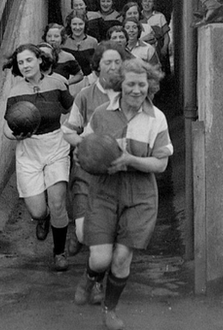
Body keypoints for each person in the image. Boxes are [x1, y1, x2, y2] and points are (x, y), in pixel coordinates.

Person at [73, 58, 173, 330]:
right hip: (104, 190)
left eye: (143, 84)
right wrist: (82, 156)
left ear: (149, 85)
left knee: (121, 258)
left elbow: (161, 163)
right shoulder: (102, 114)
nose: (137, 90)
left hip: (140, 194)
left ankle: (110, 309)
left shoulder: (157, 119)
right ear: (120, 84)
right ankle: (90, 277)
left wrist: (130, 160)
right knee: (101, 258)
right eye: (131, 84)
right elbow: (85, 147)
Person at [61, 41, 130, 301]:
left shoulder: (131, 95)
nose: (113, 67)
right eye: (107, 62)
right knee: (82, 231)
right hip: (87, 172)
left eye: (117, 62)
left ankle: (98, 281)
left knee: (109, 233)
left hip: (114, 174)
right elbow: (68, 132)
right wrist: (90, 145)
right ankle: (82, 243)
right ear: (97, 65)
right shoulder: (85, 95)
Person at [3, 44, 74, 271]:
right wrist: (16, 134)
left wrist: (68, 130)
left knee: (57, 203)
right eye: (21, 62)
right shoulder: (15, 91)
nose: (25, 66)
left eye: (28, 60)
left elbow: (72, 110)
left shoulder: (58, 83)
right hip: (28, 149)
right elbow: (6, 128)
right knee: (37, 210)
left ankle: (59, 253)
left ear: (39, 60)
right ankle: (43, 219)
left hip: (55, 145)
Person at [61, 10, 99, 78]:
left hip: (88, 80)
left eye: (80, 24)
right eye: (74, 24)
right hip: (68, 80)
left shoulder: (93, 42)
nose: (77, 27)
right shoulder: (64, 42)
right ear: (70, 25)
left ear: (85, 25)